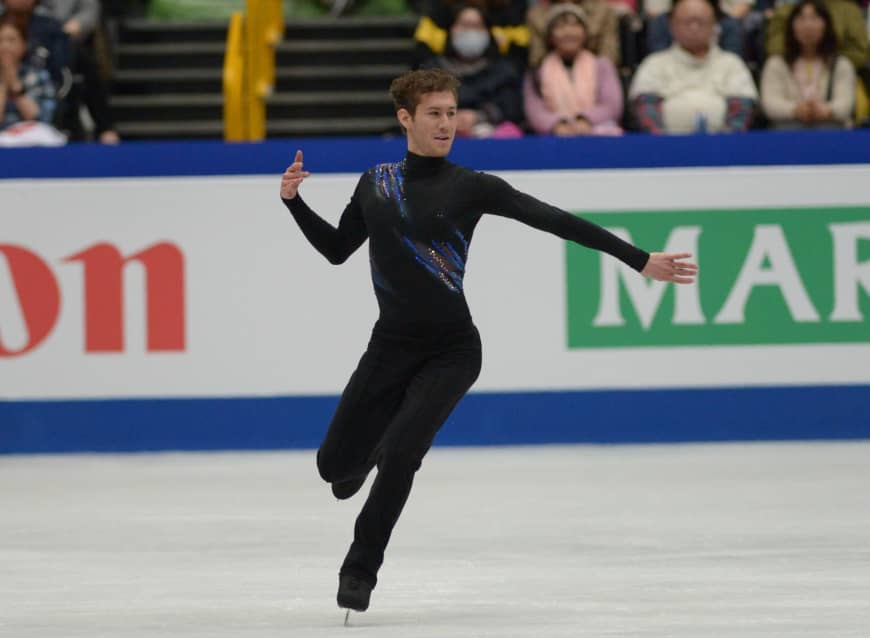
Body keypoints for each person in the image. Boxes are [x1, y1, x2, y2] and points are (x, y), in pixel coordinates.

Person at [278, 68, 698, 616]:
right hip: (389, 346)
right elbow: (337, 249)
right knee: (333, 469)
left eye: (452, 112)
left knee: (405, 453)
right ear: (405, 118)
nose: (446, 123)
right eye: (434, 113)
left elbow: (556, 221)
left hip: (453, 350)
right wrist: (293, 203)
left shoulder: (472, 186)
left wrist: (639, 258)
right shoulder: (375, 182)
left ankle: (360, 567)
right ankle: (366, 455)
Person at [628, 0, 758, 133]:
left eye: (701, 22)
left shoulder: (733, 64)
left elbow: (742, 111)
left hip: (723, 148)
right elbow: (646, 109)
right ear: (672, 26)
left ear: (715, 26)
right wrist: (663, 145)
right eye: (687, 22)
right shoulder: (653, 64)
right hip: (664, 147)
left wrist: (725, 144)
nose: (694, 27)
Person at [418, 3, 524, 138]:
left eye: (476, 26)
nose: (470, 32)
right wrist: (452, 117)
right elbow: (419, 107)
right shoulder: (432, 71)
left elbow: (512, 108)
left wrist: (478, 116)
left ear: (488, 32)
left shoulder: (504, 70)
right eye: (464, 25)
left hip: (491, 138)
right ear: (451, 30)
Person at [523, 3, 624, 135]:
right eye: (560, 26)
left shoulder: (602, 66)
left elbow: (612, 105)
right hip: (553, 138)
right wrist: (557, 125)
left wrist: (585, 120)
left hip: (597, 133)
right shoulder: (537, 71)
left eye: (575, 25)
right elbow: (534, 110)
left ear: (585, 33)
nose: (568, 32)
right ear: (550, 36)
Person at [760, 0, 855, 128]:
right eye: (801, 19)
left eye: (815, 18)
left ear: (826, 25)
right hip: (787, 131)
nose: (808, 26)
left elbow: (845, 104)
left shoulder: (842, 64)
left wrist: (826, 110)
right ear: (791, 26)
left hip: (831, 130)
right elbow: (770, 103)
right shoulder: (776, 63)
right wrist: (795, 109)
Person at [40, 0, 120, 143]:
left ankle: (104, 127)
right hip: (20, 31)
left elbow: (89, 12)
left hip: (63, 38)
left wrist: (67, 31)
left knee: (78, 58)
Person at [0, 15, 57, 129]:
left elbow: (41, 119)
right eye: (0, 41)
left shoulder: (38, 75)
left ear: (24, 45)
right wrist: (4, 84)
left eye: (11, 40)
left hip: (31, 141)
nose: (5, 46)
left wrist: (14, 82)